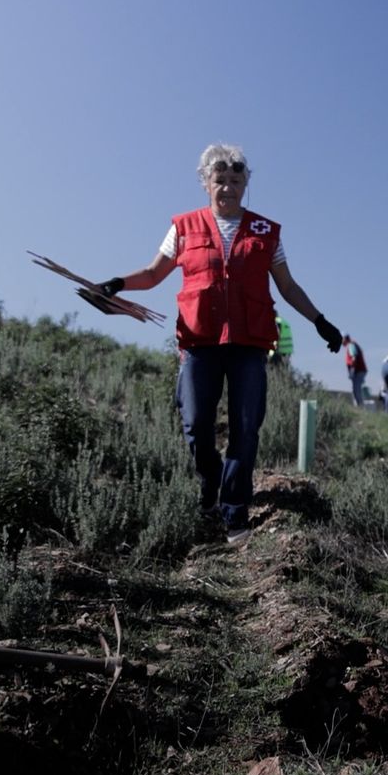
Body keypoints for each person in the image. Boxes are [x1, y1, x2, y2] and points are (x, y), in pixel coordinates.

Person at [96, 144, 344, 545]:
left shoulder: (266, 231)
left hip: (249, 343)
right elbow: (152, 273)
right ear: (205, 184)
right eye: (219, 181)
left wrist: (320, 321)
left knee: (247, 426)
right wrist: (118, 283)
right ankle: (210, 481)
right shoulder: (183, 227)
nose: (227, 188)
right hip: (199, 341)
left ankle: (234, 510)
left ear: (246, 184)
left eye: (235, 181)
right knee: (196, 425)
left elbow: (287, 285)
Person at [342, 335, 368, 405]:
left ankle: (360, 407)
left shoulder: (351, 345)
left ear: (345, 339)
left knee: (356, 390)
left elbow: (354, 357)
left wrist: (352, 371)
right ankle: (359, 406)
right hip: (359, 371)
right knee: (356, 390)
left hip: (358, 371)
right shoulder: (352, 344)